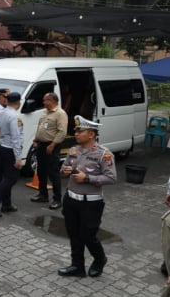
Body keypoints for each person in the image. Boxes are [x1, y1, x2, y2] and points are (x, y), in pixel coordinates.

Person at [58, 115, 116, 278]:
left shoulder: (104, 154)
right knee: (74, 234)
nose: (76, 133)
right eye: (75, 130)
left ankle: (100, 259)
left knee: (88, 236)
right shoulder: (73, 150)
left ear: (91, 134)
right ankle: (77, 266)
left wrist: (88, 178)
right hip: (71, 200)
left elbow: (111, 178)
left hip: (90, 204)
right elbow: (63, 169)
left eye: (80, 131)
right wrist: (65, 171)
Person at [31, 92, 68, 210]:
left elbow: (62, 131)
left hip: (51, 145)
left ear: (52, 101)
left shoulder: (60, 113)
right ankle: (43, 194)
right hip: (41, 145)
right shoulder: (45, 112)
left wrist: (53, 144)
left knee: (53, 173)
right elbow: (40, 126)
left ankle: (57, 199)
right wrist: (36, 140)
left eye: (45, 100)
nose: (43, 102)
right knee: (41, 171)